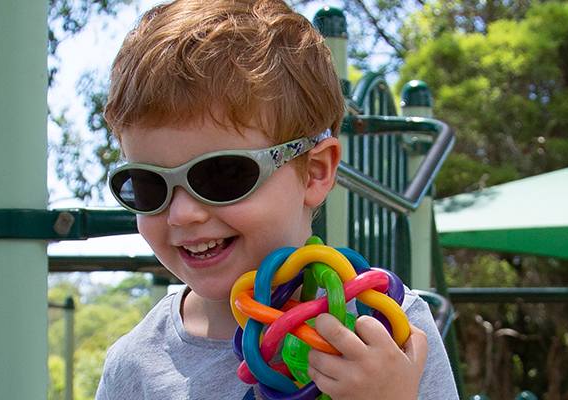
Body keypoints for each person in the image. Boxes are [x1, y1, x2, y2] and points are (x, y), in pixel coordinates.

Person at [94, 0, 458, 398]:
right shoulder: (134, 367)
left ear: (316, 171)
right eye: (147, 184)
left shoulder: (389, 330)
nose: (182, 214)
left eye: (222, 175)